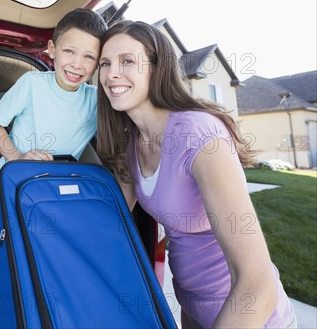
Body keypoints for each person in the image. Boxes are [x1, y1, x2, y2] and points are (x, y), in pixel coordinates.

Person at [96, 20, 297, 328]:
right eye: (105, 63)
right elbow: (110, 223)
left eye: (127, 61)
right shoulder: (133, 145)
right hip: (192, 310)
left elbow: (257, 285)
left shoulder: (198, 134)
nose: (111, 73)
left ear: (156, 68)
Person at [0, 8, 107, 327]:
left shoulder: (95, 101)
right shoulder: (32, 83)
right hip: (9, 192)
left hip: (52, 199)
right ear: (52, 49)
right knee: (0, 263)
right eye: (70, 51)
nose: (77, 64)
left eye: (89, 57)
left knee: (39, 266)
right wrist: (18, 158)